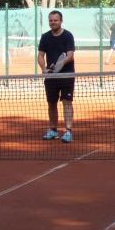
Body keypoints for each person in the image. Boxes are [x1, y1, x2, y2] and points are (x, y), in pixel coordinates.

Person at [38, 10, 76, 143]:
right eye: (51, 20)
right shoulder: (45, 37)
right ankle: (53, 130)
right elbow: (40, 55)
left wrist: (60, 65)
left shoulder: (68, 36)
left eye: (55, 20)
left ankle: (68, 131)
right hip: (51, 77)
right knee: (51, 103)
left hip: (67, 75)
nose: (53, 22)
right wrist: (44, 69)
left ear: (61, 21)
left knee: (67, 102)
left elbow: (70, 55)